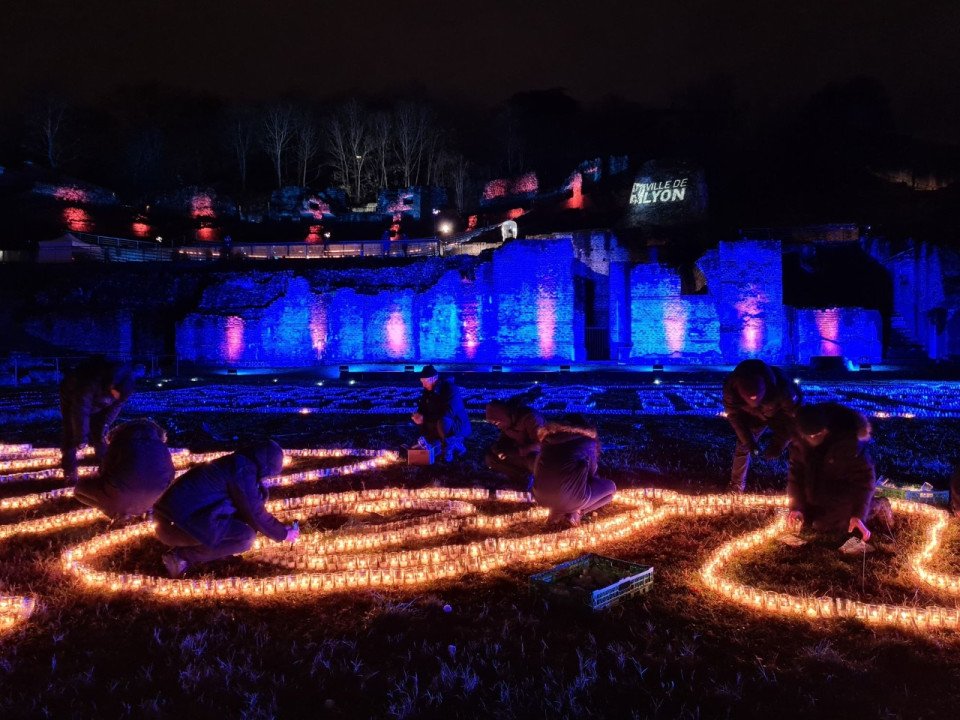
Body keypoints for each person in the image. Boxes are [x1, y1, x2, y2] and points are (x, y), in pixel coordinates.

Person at [152, 439, 299, 578]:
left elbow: (247, 509)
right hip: (173, 524)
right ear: (267, 468)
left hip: (173, 517)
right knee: (245, 537)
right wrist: (283, 534)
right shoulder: (242, 471)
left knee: (242, 528)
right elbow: (254, 512)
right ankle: (180, 557)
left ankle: (215, 552)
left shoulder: (239, 463)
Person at [786, 402, 883, 541]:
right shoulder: (799, 441)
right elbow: (796, 474)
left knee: (829, 526)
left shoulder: (849, 440)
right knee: (810, 523)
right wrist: (796, 507)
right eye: (810, 436)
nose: (813, 439)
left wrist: (858, 514)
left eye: (817, 434)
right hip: (815, 493)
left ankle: (876, 506)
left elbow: (864, 479)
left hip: (841, 494)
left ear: (827, 428)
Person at [723, 359, 802, 492]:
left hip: (779, 415)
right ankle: (736, 486)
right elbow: (734, 417)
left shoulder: (782, 388)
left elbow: (794, 420)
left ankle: (798, 486)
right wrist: (750, 443)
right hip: (753, 417)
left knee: (796, 442)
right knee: (742, 445)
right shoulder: (731, 389)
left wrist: (778, 445)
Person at [59, 356, 141, 483]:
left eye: (117, 397)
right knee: (71, 432)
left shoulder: (123, 388)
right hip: (73, 398)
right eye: (114, 394)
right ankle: (70, 472)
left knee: (100, 435)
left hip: (98, 403)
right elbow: (81, 409)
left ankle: (107, 470)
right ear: (112, 385)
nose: (114, 397)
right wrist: (81, 437)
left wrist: (105, 425)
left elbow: (114, 409)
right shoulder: (89, 382)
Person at [74, 418, 175, 519]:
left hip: (120, 496)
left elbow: (104, 470)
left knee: (79, 490)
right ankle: (148, 511)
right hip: (154, 500)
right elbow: (171, 474)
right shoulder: (162, 447)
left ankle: (114, 513)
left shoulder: (118, 443)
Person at [532, 415, 616, 528]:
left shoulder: (547, 441)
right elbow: (592, 473)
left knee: (568, 493)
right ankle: (576, 513)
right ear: (585, 427)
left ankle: (556, 513)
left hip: (541, 497)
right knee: (611, 488)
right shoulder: (586, 442)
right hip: (571, 497)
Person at [411, 365, 472, 462]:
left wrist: (425, 418)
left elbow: (449, 413)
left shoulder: (450, 389)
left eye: (425, 382)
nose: (423, 385)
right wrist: (417, 415)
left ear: (434, 378)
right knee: (434, 446)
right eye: (422, 382)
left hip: (456, 425)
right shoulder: (428, 391)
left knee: (443, 421)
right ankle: (438, 443)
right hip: (437, 424)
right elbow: (422, 407)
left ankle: (452, 445)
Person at [484, 399, 544, 485]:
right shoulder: (506, 422)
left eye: (497, 422)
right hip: (519, 454)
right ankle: (521, 475)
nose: (497, 425)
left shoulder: (531, 417)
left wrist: (517, 451)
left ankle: (539, 481)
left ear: (503, 415)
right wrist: (498, 448)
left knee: (534, 463)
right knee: (491, 458)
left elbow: (539, 444)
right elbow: (504, 438)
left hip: (535, 454)